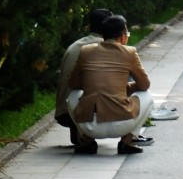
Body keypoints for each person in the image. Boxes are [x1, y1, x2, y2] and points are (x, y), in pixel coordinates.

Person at [67, 14, 153, 155]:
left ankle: (87, 142)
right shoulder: (129, 52)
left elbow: (73, 84)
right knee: (147, 96)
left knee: (72, 95)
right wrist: (126, 88)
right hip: (122, 123)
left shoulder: (86, 51)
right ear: (123, 36)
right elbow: (144, 85)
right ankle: (127, 141)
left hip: (89, 125)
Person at [55, 8, 111, 154]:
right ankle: (128, 137)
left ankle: (80, 133)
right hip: (89, 109)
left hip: (64, 112)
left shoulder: (74, 46)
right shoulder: (106, 47)